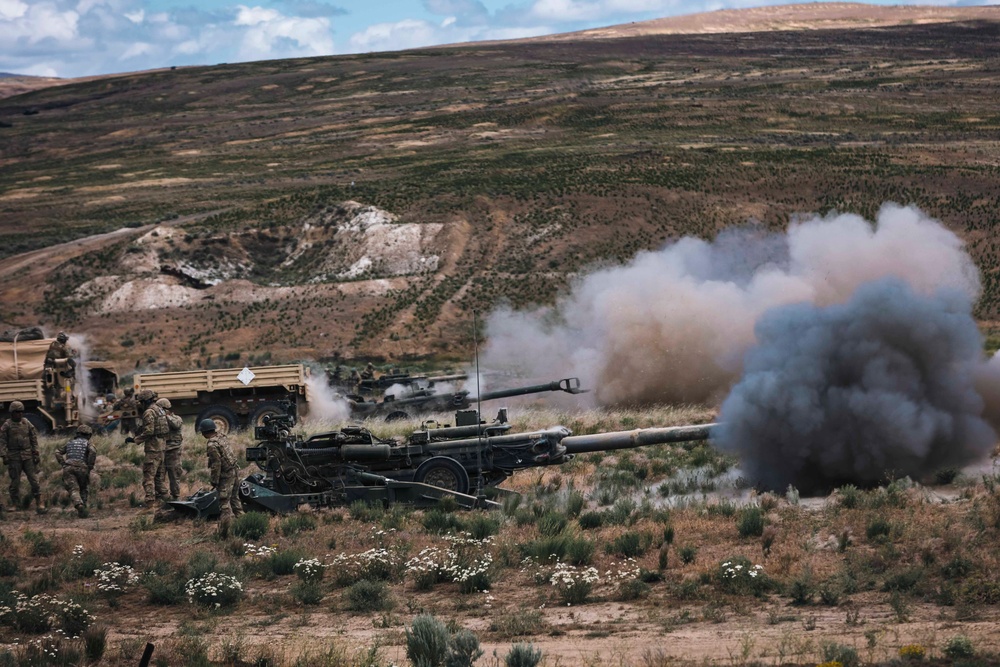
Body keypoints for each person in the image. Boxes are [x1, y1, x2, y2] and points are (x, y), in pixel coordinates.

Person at [200, 419, 243, 536]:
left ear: (204, 432)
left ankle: (225, 530)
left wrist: (214, 481)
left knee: (224, 502)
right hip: (234, 470)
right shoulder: (221, 437)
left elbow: (216, 464)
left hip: (226, 475)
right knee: (235, 498)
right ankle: (243, 522)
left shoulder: (212, 445)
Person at [0, 401, 45, 513]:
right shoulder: (7, 425)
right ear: (12, 413)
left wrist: (36, 453)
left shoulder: (27, 423)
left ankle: (39, 502)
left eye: (21, 412)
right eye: (17, 412)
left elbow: (33, 439)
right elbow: (2, 441)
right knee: (15, 482)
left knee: (34, 480)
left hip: (28, 455)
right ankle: (16, 504)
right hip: (14, 456)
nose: (19, 414)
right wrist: (4, 455)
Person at [134, 389, 168, 506]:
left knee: (148, 477)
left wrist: (136, 440)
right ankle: (165, 499)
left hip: (153, 448)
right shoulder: (160, 410)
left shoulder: (149, 412)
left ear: (144, 401)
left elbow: (149, 431)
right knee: (159, 477)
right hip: (162, 447)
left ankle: (149, 503)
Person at [56, 424, 97, 517]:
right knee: (83, 488)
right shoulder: (88, 444)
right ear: (89, 435)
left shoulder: (69, 443)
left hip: (69, 467)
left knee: (73, 489)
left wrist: (63, 463)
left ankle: (79, 504)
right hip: (82, 468)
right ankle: (83, 510)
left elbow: (57, 452)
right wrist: (90, 466)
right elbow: (93, 452)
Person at [157, 398, 184, 500]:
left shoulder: (176, 418)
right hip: (162, 451)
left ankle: (176, 497)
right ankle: (162, 496)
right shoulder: (160, 421)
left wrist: (166, 416)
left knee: (174, 474)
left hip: (173, 451)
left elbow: (176, 425)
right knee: (159, 475)